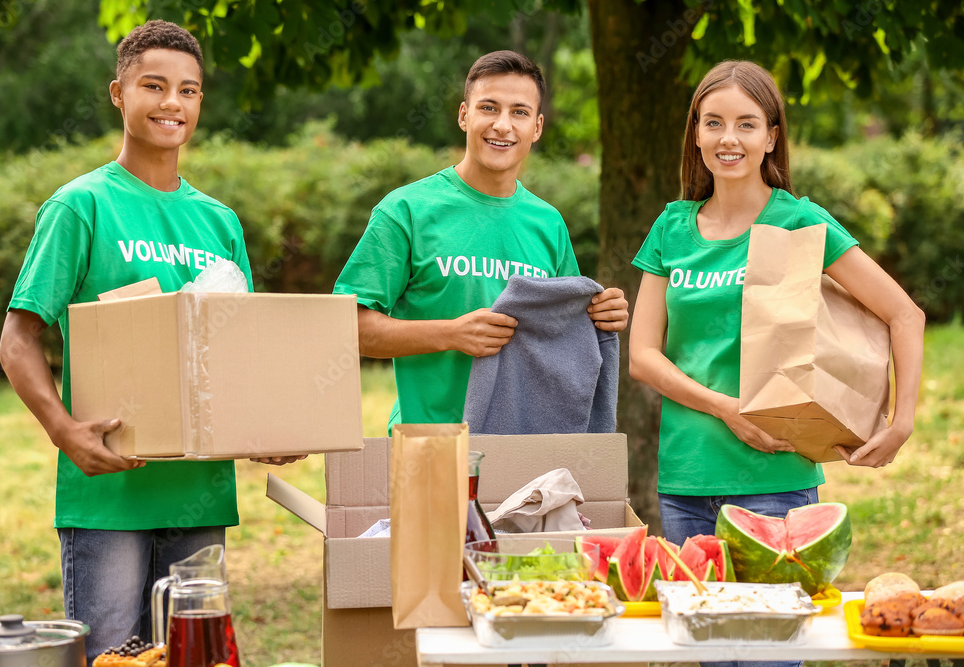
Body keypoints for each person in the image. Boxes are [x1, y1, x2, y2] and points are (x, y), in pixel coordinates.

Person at [0, 20, 297, 662]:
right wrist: (62, 429)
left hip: (200, 492)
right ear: (118, 93)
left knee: (195, 658)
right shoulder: (81, 206)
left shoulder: (219, 221)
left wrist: (266, 429)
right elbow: (18, 340)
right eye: (153, 86)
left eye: (187, 91)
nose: (172, 103)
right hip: (108, 492)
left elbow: (236, 351)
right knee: (112, 656)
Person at [627, 60, 925, 667]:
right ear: (696, 135)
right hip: (687, 478)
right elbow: (641, 355)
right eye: (713, 124)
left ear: (771, 135)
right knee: (704, 656)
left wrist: (902, 419)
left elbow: (905, 314)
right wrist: (724, 407)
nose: (728, 139)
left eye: (745, 124)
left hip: (775, 479)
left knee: (768, 657)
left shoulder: (797, 219)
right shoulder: (671, 228)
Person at [334, 50, 629, 429]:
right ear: (464, 116)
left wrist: (602, 315)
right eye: (489, 108)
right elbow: (347, 328)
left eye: (519, 112)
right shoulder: (406, 209)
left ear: (537, 128)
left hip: (522, 455)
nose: (502, 126)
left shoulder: (548, 223)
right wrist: (451, 334)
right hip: (428, 446)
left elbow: (562, 336)